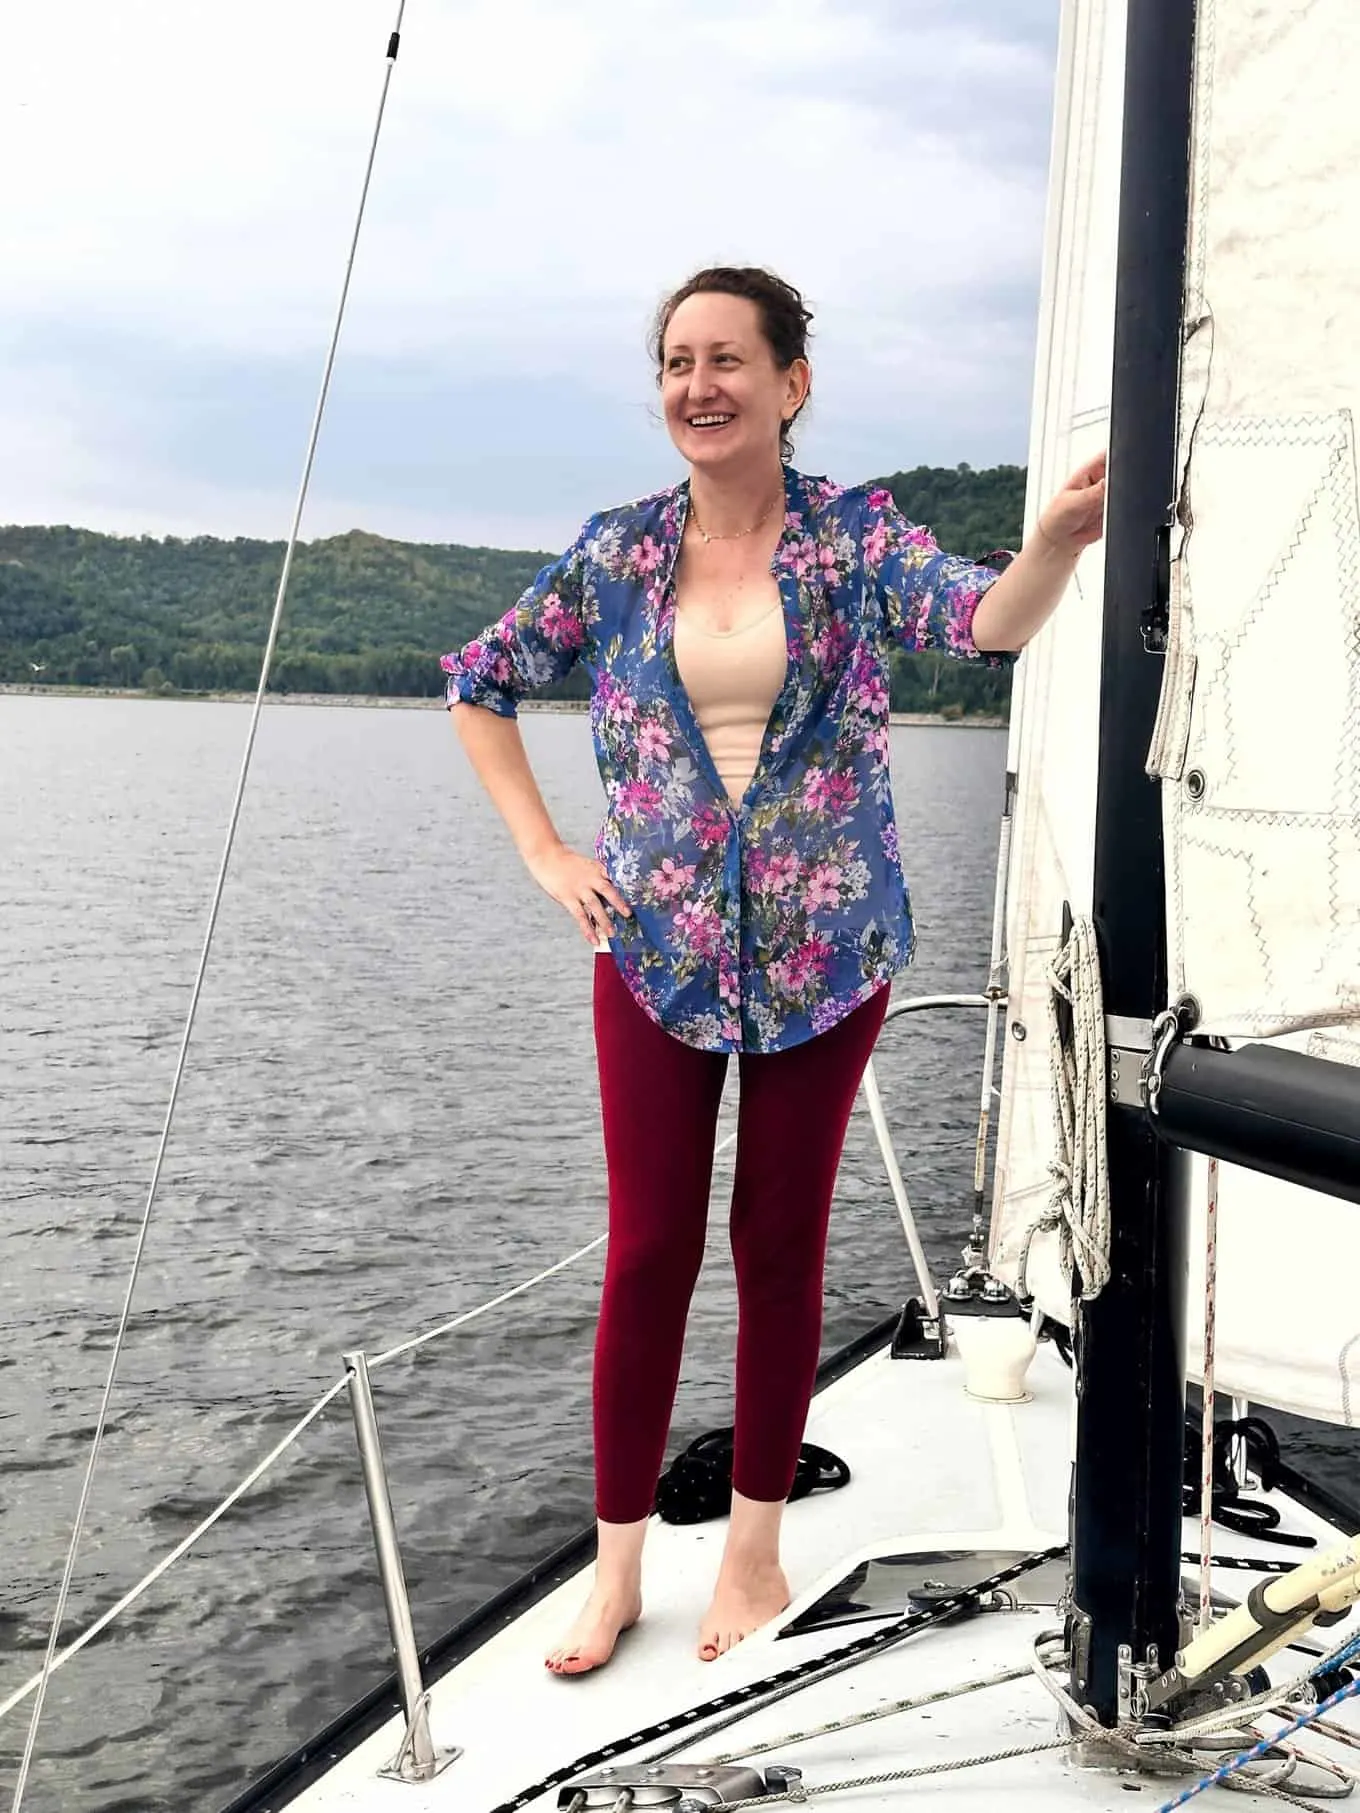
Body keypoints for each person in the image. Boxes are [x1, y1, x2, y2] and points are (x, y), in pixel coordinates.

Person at [442, 266, 1104, 1676]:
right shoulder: (617, 553)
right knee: (647, 1251)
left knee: (779, 1239)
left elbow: (987, 622)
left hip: (826, 947)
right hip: (657, 949)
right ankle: (616, 1568)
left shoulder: (854, 542)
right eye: (678, 361)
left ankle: (753, 1540)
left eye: (729, 359)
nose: (699, 384)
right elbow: (481, 682)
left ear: (791, 384)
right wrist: (549, 852)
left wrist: (1053, 539)